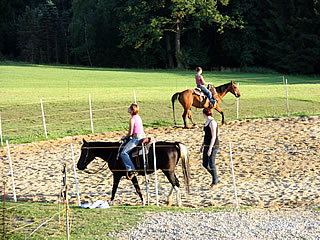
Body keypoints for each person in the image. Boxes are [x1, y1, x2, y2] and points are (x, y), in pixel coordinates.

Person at [121, 103, 145, 180]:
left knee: (124, 153)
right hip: (142, 136)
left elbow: (130, 133)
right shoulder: (138, 117)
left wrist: (124, 137)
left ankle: (131, 169)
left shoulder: (132, 119)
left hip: (136, 138)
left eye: (129, 108)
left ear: (131, 110)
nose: (128, 109)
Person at [200, 108, 220, 190]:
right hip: (206, 145)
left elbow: (213, 136)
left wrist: (210, 149)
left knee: (211, 163)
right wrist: (202, 145)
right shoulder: (207, 122)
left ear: (204, 114)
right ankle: (216, 176)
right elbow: (206, 136)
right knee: (205, 164)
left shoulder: (212, 122)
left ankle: (214, 182)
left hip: (213, 145)